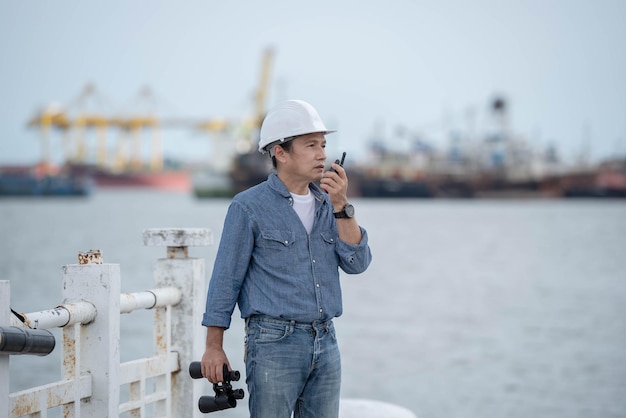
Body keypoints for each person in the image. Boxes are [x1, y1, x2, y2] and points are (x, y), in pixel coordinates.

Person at [200, 99, 372, 418]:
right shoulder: (247, 207)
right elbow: (226, 279)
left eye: (323, 144)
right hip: (273, 343)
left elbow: (357, 264)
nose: (322, 153)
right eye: (310, 145)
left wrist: (342, 206)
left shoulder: (330, 204)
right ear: (280, 152)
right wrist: (214, 346)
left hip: (326, 339)